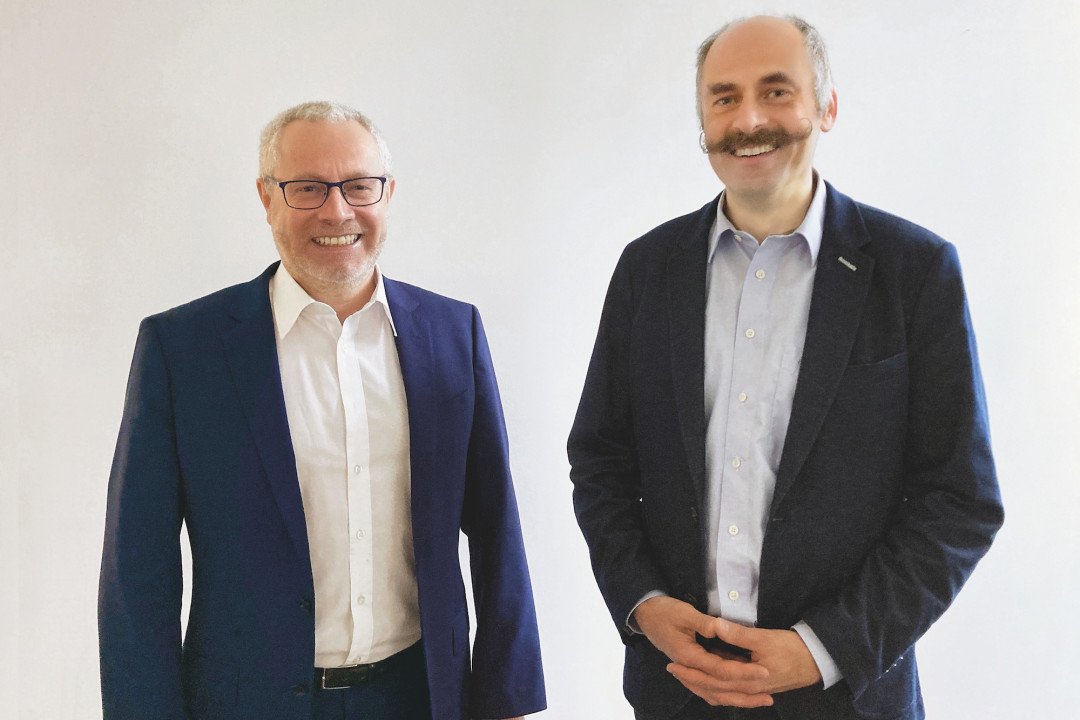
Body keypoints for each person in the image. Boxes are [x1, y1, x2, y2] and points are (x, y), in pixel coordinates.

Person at [568, 15, 1003, 720]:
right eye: (724, 98)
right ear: (702, 120)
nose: (748, 121)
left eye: (776, 92)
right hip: (678, 689)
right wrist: (642, 603)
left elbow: (959, 501)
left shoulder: (915, 271)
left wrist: (825, 648)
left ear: (826, 106)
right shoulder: (647, 270)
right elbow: (601, 462)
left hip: (846, 696)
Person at [99, 101, 546, 720]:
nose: (337, 211)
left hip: (420, 696)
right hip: (247, 704)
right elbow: (138, 568)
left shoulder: (452, 333)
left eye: (359, 186)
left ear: (387, 194)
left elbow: (497, 528)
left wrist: (507, 701)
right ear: (267, 197)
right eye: (307, 188)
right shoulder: (185, 350)